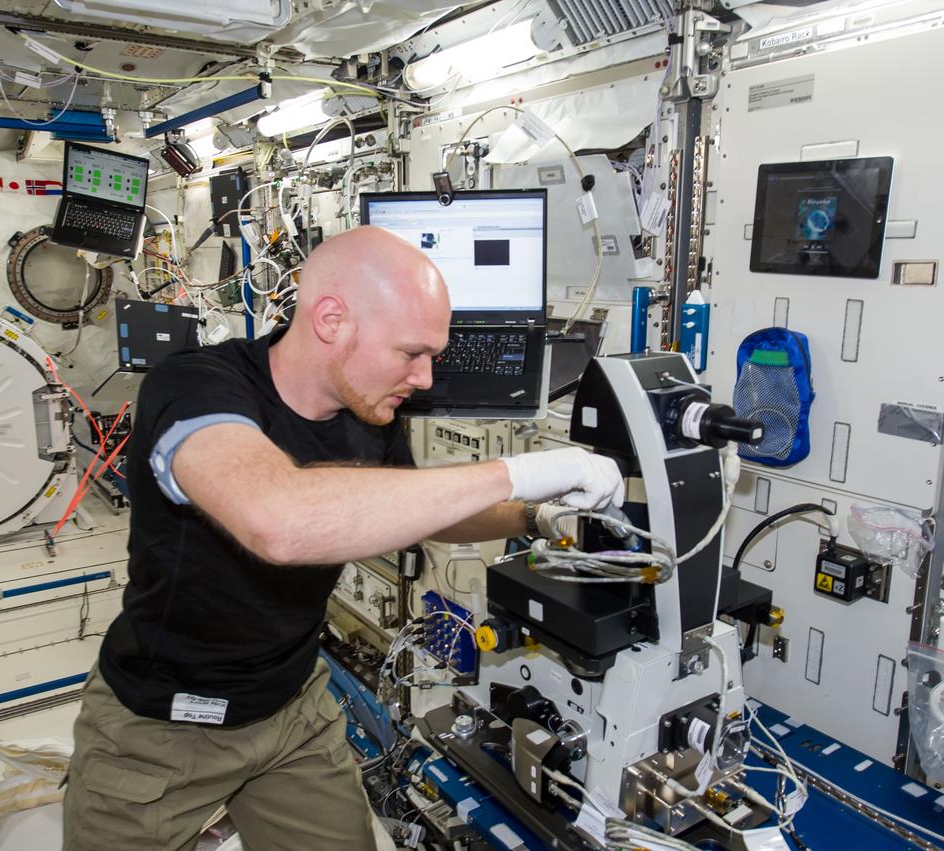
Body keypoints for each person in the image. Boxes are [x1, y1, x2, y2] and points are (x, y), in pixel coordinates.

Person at [62, 226, 624, 851]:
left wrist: (536, 517)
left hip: (292, 707)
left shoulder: (370, 416)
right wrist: (516, 472)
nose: (425, 377)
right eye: (411, 353)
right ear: (331, 319)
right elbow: (278, 521)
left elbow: (423, 511)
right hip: (162, 723)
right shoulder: (195, 387)